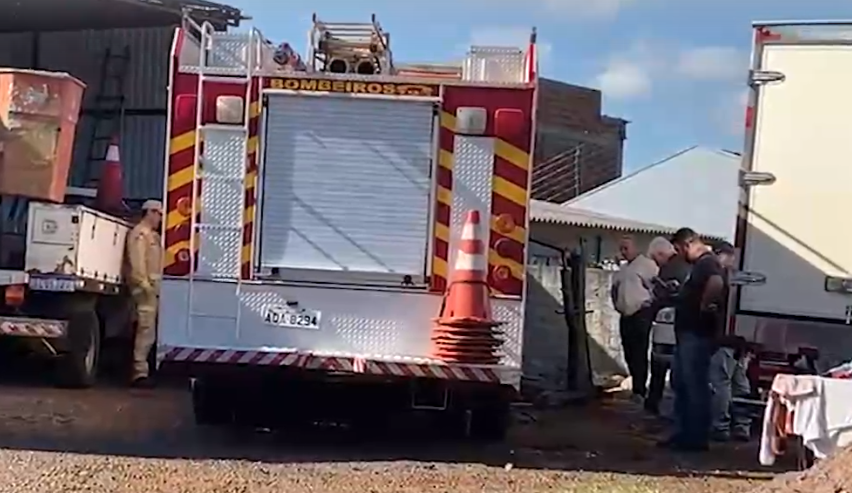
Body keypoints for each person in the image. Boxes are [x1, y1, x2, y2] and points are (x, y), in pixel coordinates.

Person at [662, 227, 727, 451]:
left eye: (679, 250)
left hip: (697, 334)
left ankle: (695, 437)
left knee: (694, 385)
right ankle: (684, 432)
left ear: (687, 244)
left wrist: (705, 306)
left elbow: (716, 283)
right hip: (689, 334)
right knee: (681, 382)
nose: (679, 255)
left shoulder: (707, 263)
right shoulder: (699, 266)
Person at [709, 241, 753, 442]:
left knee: (724, 384)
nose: (733, 260)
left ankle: (722, 426)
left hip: (726, 341)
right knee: (739, 385)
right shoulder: (728, 279)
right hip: (736, 341)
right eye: (731, 256)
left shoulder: (720, 278)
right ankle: (741, 426)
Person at [645, 237, 691, 416]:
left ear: (661, 254)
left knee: (661, 365)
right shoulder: (686, 265)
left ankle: (656, 403)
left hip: (671, 323)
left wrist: (657, 292)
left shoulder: (672, 268)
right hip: (678, 323)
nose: (657, 263)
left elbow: (663, 294)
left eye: (657, 259)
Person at [611, 235, 659, 403]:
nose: (623, 252)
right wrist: (617, 305)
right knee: (628, 352)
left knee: (639, 351)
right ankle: (636, 386)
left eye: (626, 248)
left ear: (635, 248)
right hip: (625, 314)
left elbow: (656, 287)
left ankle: (640, 390)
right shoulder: (622, 269)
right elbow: (614, 289)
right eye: (621, 249)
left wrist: (650, 307)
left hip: (641, 313)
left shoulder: (647, 265)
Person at [126, 199, 163, 388]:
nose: (160, 218)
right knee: (145, 330)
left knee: (149, 331)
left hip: (152, 291)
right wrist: (144, 285)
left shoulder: (152, 236)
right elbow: (137, 263)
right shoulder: (140, 234)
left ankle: (143, 369)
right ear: (149, 212)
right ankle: (139, 372)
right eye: (158, 214)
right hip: (145, 291)